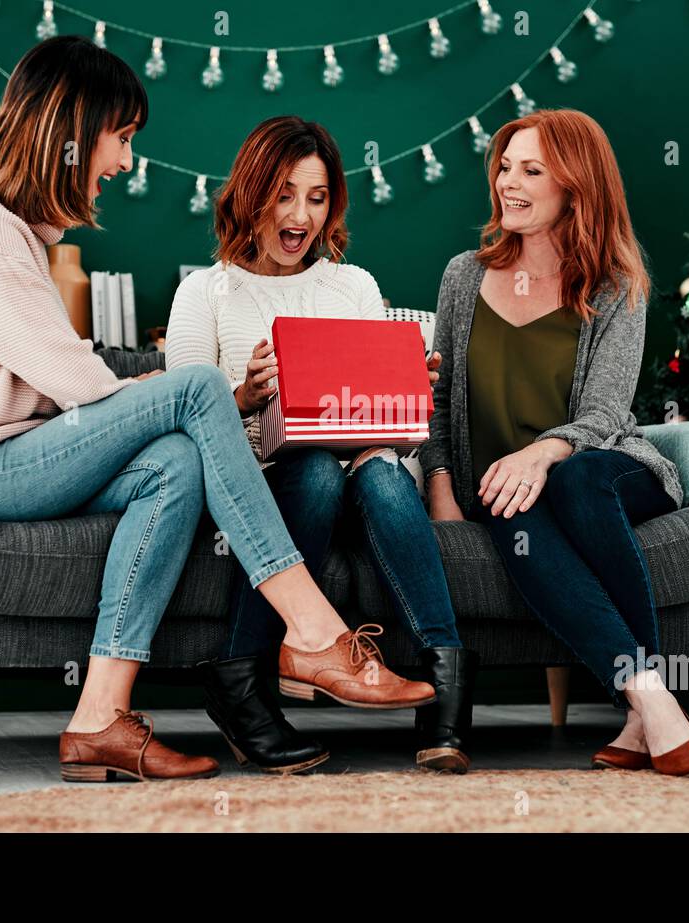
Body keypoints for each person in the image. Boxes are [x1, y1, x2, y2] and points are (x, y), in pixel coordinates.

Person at [0, 38, 433, 784]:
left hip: (6, 454)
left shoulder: (7, 229)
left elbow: (67, 391)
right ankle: (312, 627)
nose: (127, 162)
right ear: (74, 131)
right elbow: (82, 387)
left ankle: (99, 715)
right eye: (123, 138)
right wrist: (186, 397)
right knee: (196, 387)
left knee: (171, 465)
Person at [166, 116, 476, 774]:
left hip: (359, 467)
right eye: (282, 193)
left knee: (385, 476)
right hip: (268, 481)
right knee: (313, 469)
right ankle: (243, 681)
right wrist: (244, 395)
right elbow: (180, 422)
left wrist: (402, 390)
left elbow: (378, 424)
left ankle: (444, 694)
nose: (300, 215)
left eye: (316, 197)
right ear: (250, 193)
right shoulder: (205, 291)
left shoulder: (353, 286)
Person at [420, 109, 689, 778]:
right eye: (504, 166)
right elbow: (437, 402)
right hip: (506, 488)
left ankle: (645, 705)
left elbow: (606, 412)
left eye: (531, 170)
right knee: (511, 499)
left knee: (573, 479)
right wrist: (441, 486)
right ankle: (652, 707)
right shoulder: (464, 276)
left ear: (575, 186)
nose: (508, 182)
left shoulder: (617, 281)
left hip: (606, 468)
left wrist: (544, 449)